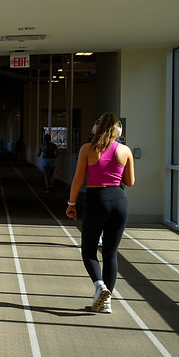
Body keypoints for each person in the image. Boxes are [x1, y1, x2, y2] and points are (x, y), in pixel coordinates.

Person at [65, 113, 135, 313]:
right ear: (119, 131)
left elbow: (78, 179)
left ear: (95, 129)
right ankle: (106, 302)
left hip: (97, 200)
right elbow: (130, 182)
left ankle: (100, 286)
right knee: (111, 253)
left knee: (88, 250)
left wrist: (72, 203)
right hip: (120, 201)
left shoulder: (87, 149)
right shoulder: (125, 150)